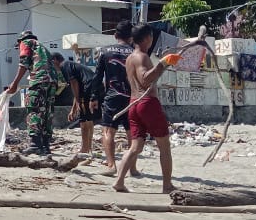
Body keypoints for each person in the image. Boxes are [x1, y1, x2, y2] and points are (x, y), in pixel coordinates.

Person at [114, 23, 177, 193]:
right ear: (148, 38)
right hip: (147, 103)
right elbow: (145, 79)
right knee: (164, 145)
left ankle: (119, 181)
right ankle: (167, 185)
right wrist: (162, 63)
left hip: (134, 103)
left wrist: (163, 65)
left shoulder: (129, 58)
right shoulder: (142, 57)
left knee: (135, 146)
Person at [91, 20, 136, 176]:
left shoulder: (105, 51)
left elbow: (97, 77)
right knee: (132, 133)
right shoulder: (135, 52)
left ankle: (111, 165)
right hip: (132, 98)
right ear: (131, 37)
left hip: (112, 97)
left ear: (115, 35)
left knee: (109, 131)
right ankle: (133, 167)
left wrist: (93, 97)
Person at [6, 31, 58, 156]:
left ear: (20, 41)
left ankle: (35, 145)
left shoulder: (26, 42)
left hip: (39, 80)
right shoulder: (43, 47)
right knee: (46, 112)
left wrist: (14, 83)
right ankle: (45, 147)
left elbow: (23, 64)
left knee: (34, 110)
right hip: (52, 82)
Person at [52, 52, 98, 158]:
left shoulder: (64, 65)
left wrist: (78, 102)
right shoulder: (72, 65)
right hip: (93, 87)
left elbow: (74, 84)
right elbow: (76, 90)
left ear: (55, 60)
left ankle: (84, 148)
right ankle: (88, 147)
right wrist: (73, 108)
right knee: (88, 118)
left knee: (83, 120)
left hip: (88, 86)